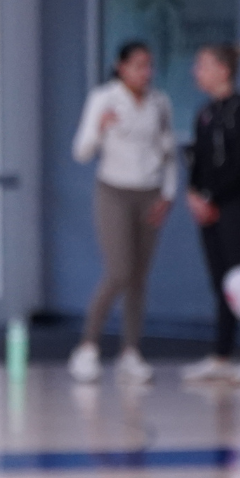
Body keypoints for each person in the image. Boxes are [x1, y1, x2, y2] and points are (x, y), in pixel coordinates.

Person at [68, 40, 177, 385]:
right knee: (118, 271)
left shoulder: (160, 103)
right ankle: (87, 346)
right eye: (138, 65)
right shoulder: (104, 98)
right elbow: (81, 152)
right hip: (113, 191)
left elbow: (169, 151)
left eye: (149, 65)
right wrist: (100, 127)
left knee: (138, 279)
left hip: (150, 192)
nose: (145, 72)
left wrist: (168, 194)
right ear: (121, 67)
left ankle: (131, 352)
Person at [182, 43, 240, 385]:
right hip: (210, 208)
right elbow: (198, 159)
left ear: (223, 70)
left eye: (203, 65)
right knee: (221, 282)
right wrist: (194, 194)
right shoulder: (206, 113)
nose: (197, 72)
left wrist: (213, 195)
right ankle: (221, 354)